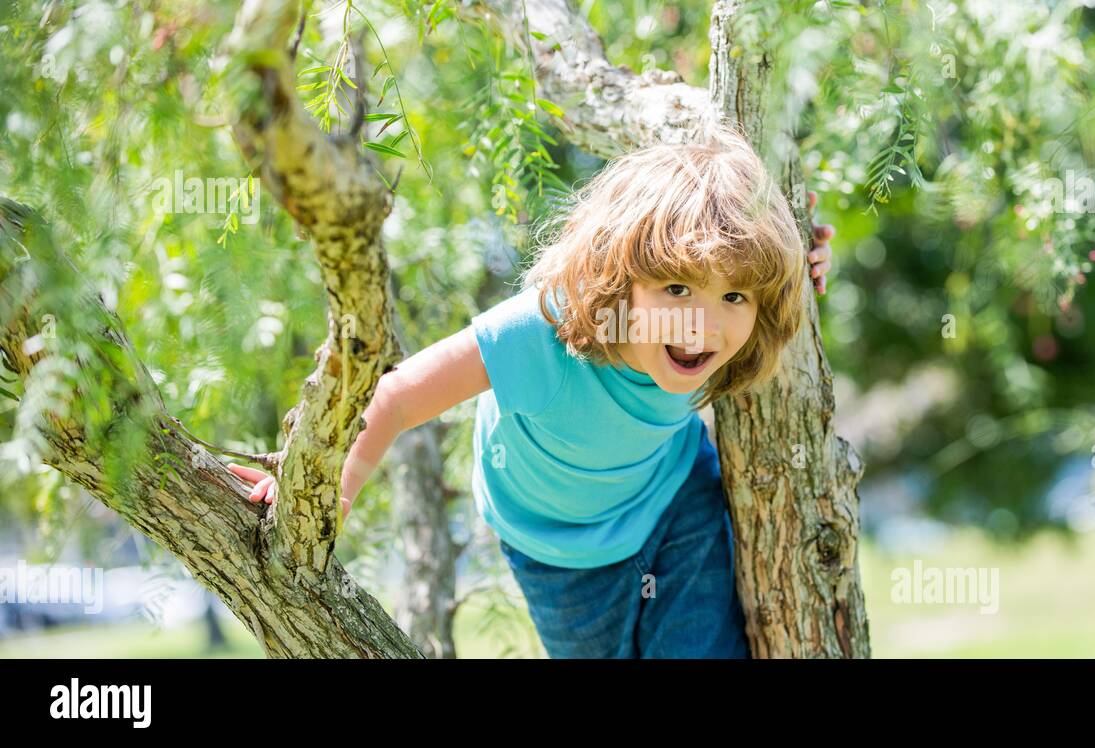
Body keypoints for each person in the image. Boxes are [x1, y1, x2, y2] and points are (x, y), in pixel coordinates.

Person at [227, 122, 836, 658]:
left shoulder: (728, 337)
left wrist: (797, 260)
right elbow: (394, 397)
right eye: (677, 289)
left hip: (675, 503)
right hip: (559, 553)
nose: (702, 324)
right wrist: (326, 488)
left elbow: (760, 276)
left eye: (733, 297)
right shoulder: (542, 334)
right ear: (617, 273)